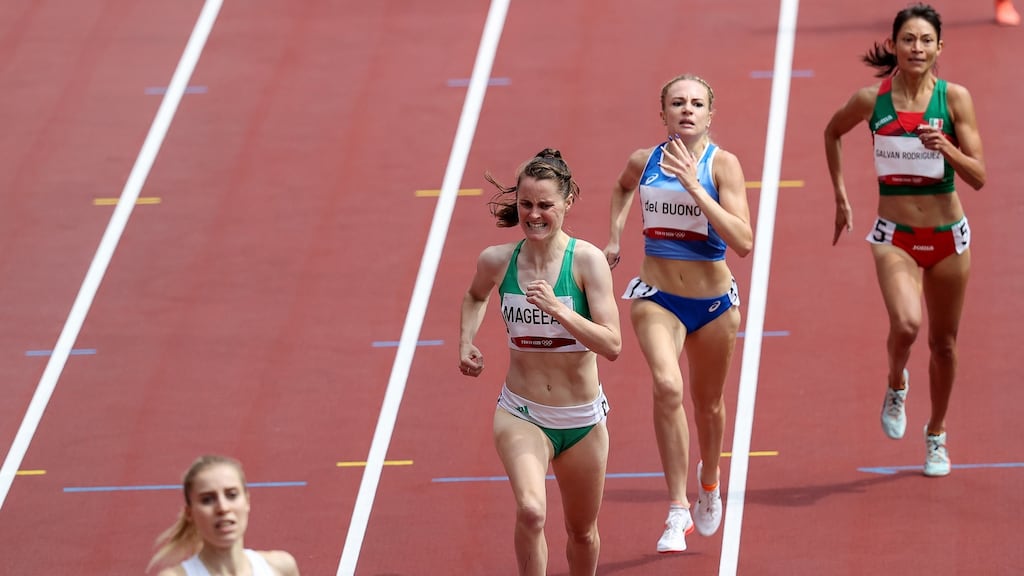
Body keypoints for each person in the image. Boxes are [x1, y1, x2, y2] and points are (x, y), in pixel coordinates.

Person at [824, 3, 986, 477]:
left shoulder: (954, 100)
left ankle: (936, 434)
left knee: (945, 345)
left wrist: (948, 148)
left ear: (940, 48)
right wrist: (841, 197)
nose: (917, 48)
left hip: (948, 238)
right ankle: (897, 383)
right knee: (907, 324)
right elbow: (832, 132)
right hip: (894, 236)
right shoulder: (870, 101)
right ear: (894, 44)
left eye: (926, 40)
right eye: (909, 40)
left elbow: (979, 177)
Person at [603, 74, 752, 553]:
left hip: (712, 305)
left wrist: (695, 186)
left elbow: (744, 243)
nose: (687, 110)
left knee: (708, 405)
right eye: (677, 103)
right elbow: (623, 188)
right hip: (657, 297)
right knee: (668, 386)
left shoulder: (723, 166)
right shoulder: (643, 161)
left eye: (696, 103)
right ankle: (676, 509)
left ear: (711, 114)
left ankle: (709, 480)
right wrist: (615, 233)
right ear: (662, 113)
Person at [459, 149, 621, 576]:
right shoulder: (498, 260)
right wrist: (466, 340)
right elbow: (475, 295)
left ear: (567, 202)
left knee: (582, 532)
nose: (534, 214)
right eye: (526, 204)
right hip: (522, 413)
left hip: (582, 419)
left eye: (545, 205)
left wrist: (560, 310)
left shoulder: (586, 262)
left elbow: (612, 344)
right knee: (532, 512)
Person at [147, 455, 300, 576]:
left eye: (231, 495)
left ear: (247, 501)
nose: (223, 508)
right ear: (190, 513)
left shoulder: (281, 568)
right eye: (207, 500)